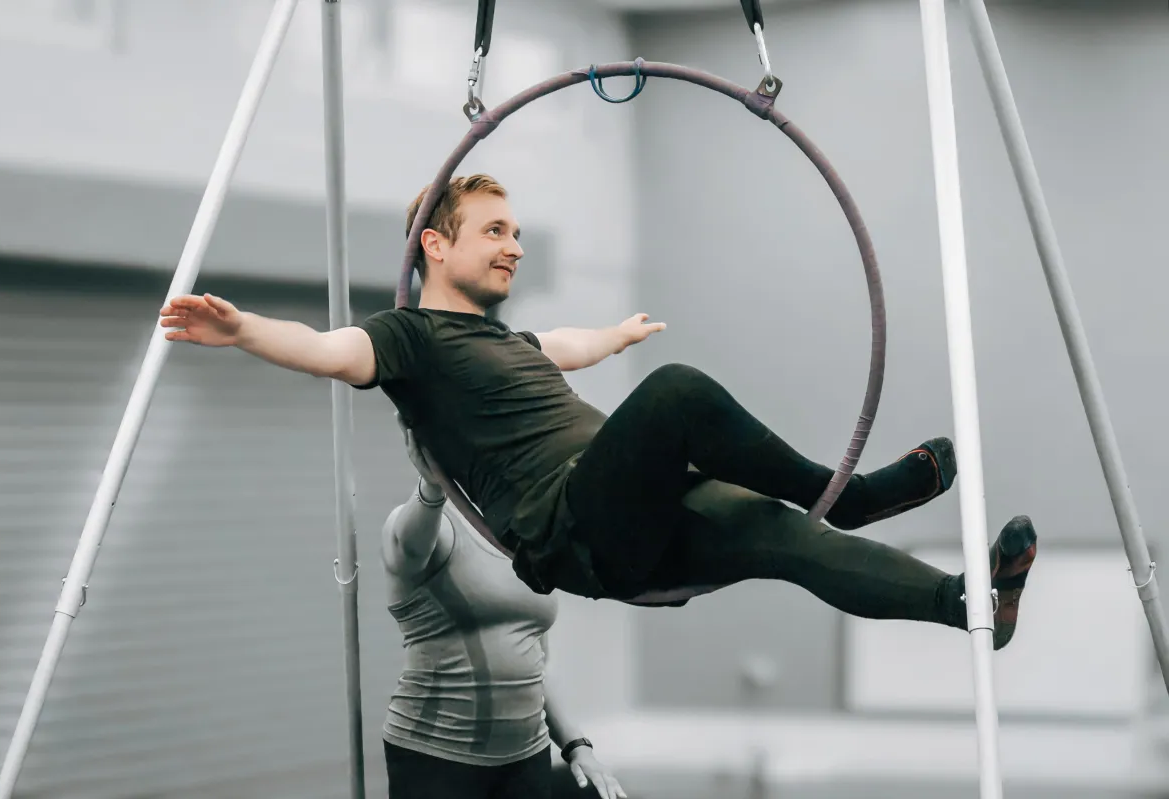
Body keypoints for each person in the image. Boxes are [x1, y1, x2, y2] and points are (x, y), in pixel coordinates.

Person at [160, 173, 1038, 650]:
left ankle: (969, 606)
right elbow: (327, 349)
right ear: (436, 243)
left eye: (516, 231)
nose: (515, 244)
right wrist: (243, 331)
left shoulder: (507, 343)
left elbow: (560, 346)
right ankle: (844, 491)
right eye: (494, 230)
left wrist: (614, 336)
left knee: (782, 534)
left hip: (641, 511)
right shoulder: (410, 339)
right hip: (572, 527)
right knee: (679, 393)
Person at [378, 413, 625, 799]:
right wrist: (432, 484)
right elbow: (408, 548)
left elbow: (534, 664)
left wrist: (577, 745)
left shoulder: (526, 535)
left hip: (527, 758)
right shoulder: (425, 524)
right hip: (437, 758)